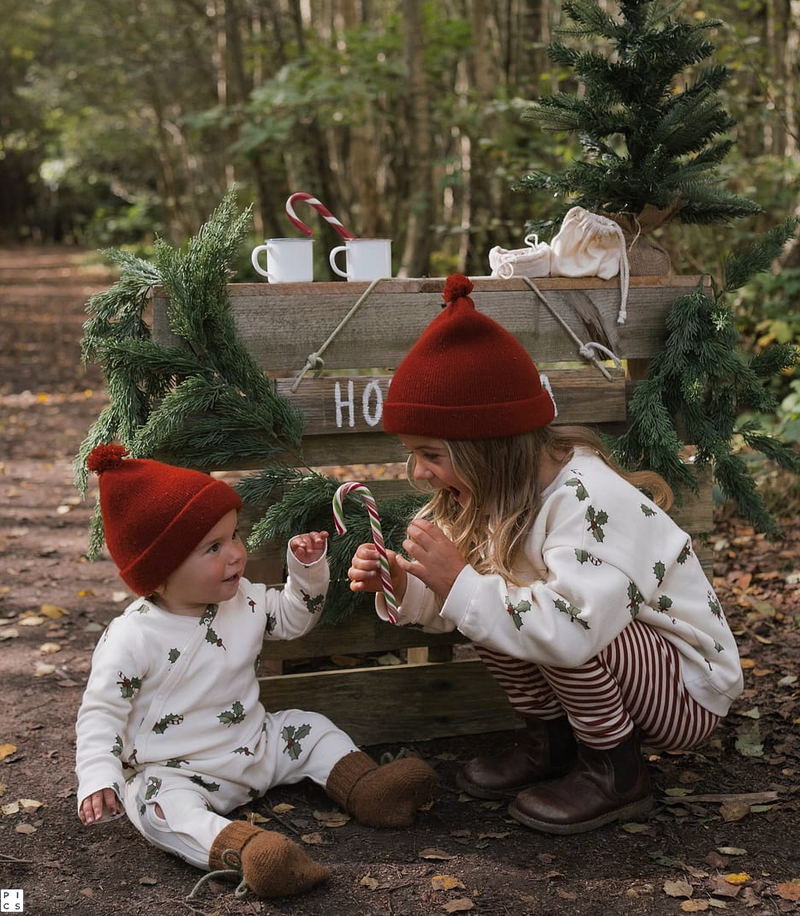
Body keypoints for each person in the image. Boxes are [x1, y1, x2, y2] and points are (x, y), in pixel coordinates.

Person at [347, 274, 743, 836]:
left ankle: (615, 772)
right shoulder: (486, 498)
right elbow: (468, 606)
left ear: (486, 447)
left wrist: (461, 582)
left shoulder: (589, 500)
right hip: (610, 678)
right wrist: (409, 581)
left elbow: (576, 630)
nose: (417, 473)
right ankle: (554, 743)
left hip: (682, 693)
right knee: (489, 597)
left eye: (430, 454)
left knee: (550, 613)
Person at [75, 444, 436, 899]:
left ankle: (368, 788)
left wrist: (305, 571)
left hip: (255, 744)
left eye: (234, 536)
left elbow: (289, 618)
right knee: (157, 809)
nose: (235, 555)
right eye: (213, 548)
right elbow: (101, 713)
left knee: (310, 728)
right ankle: (249, 852)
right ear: (160, 571)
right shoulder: (133, 636)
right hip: (174, 770)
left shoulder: (241, 598)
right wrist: (98, 775)